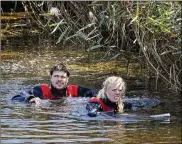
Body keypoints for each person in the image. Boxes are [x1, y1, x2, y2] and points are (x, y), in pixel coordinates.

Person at [11, 63, 97, 105]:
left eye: (62, 77)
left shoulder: (75, 91)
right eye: (56, 76)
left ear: (67, 79)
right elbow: (15, 98)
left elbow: (98, 95)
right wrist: (30, 98)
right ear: (51, 78)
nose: (59, 79)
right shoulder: (40, 90)